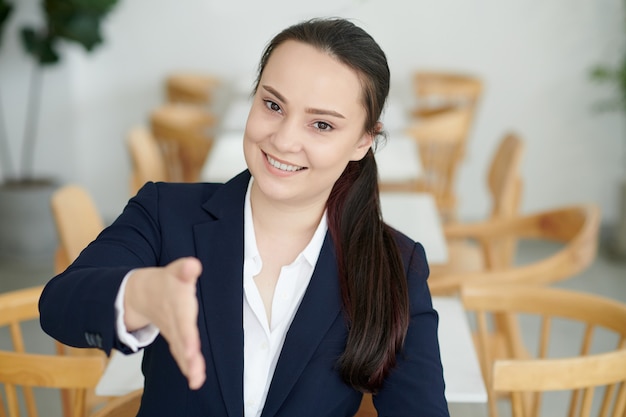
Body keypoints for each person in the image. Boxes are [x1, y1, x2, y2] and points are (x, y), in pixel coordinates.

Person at [39, 17, 449, 417]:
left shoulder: (396, 264)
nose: (285, 140)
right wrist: (140, 294)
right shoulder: (166, 212)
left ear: (363, 140)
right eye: (273, 105)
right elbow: (59, 305)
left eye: (321, 125)